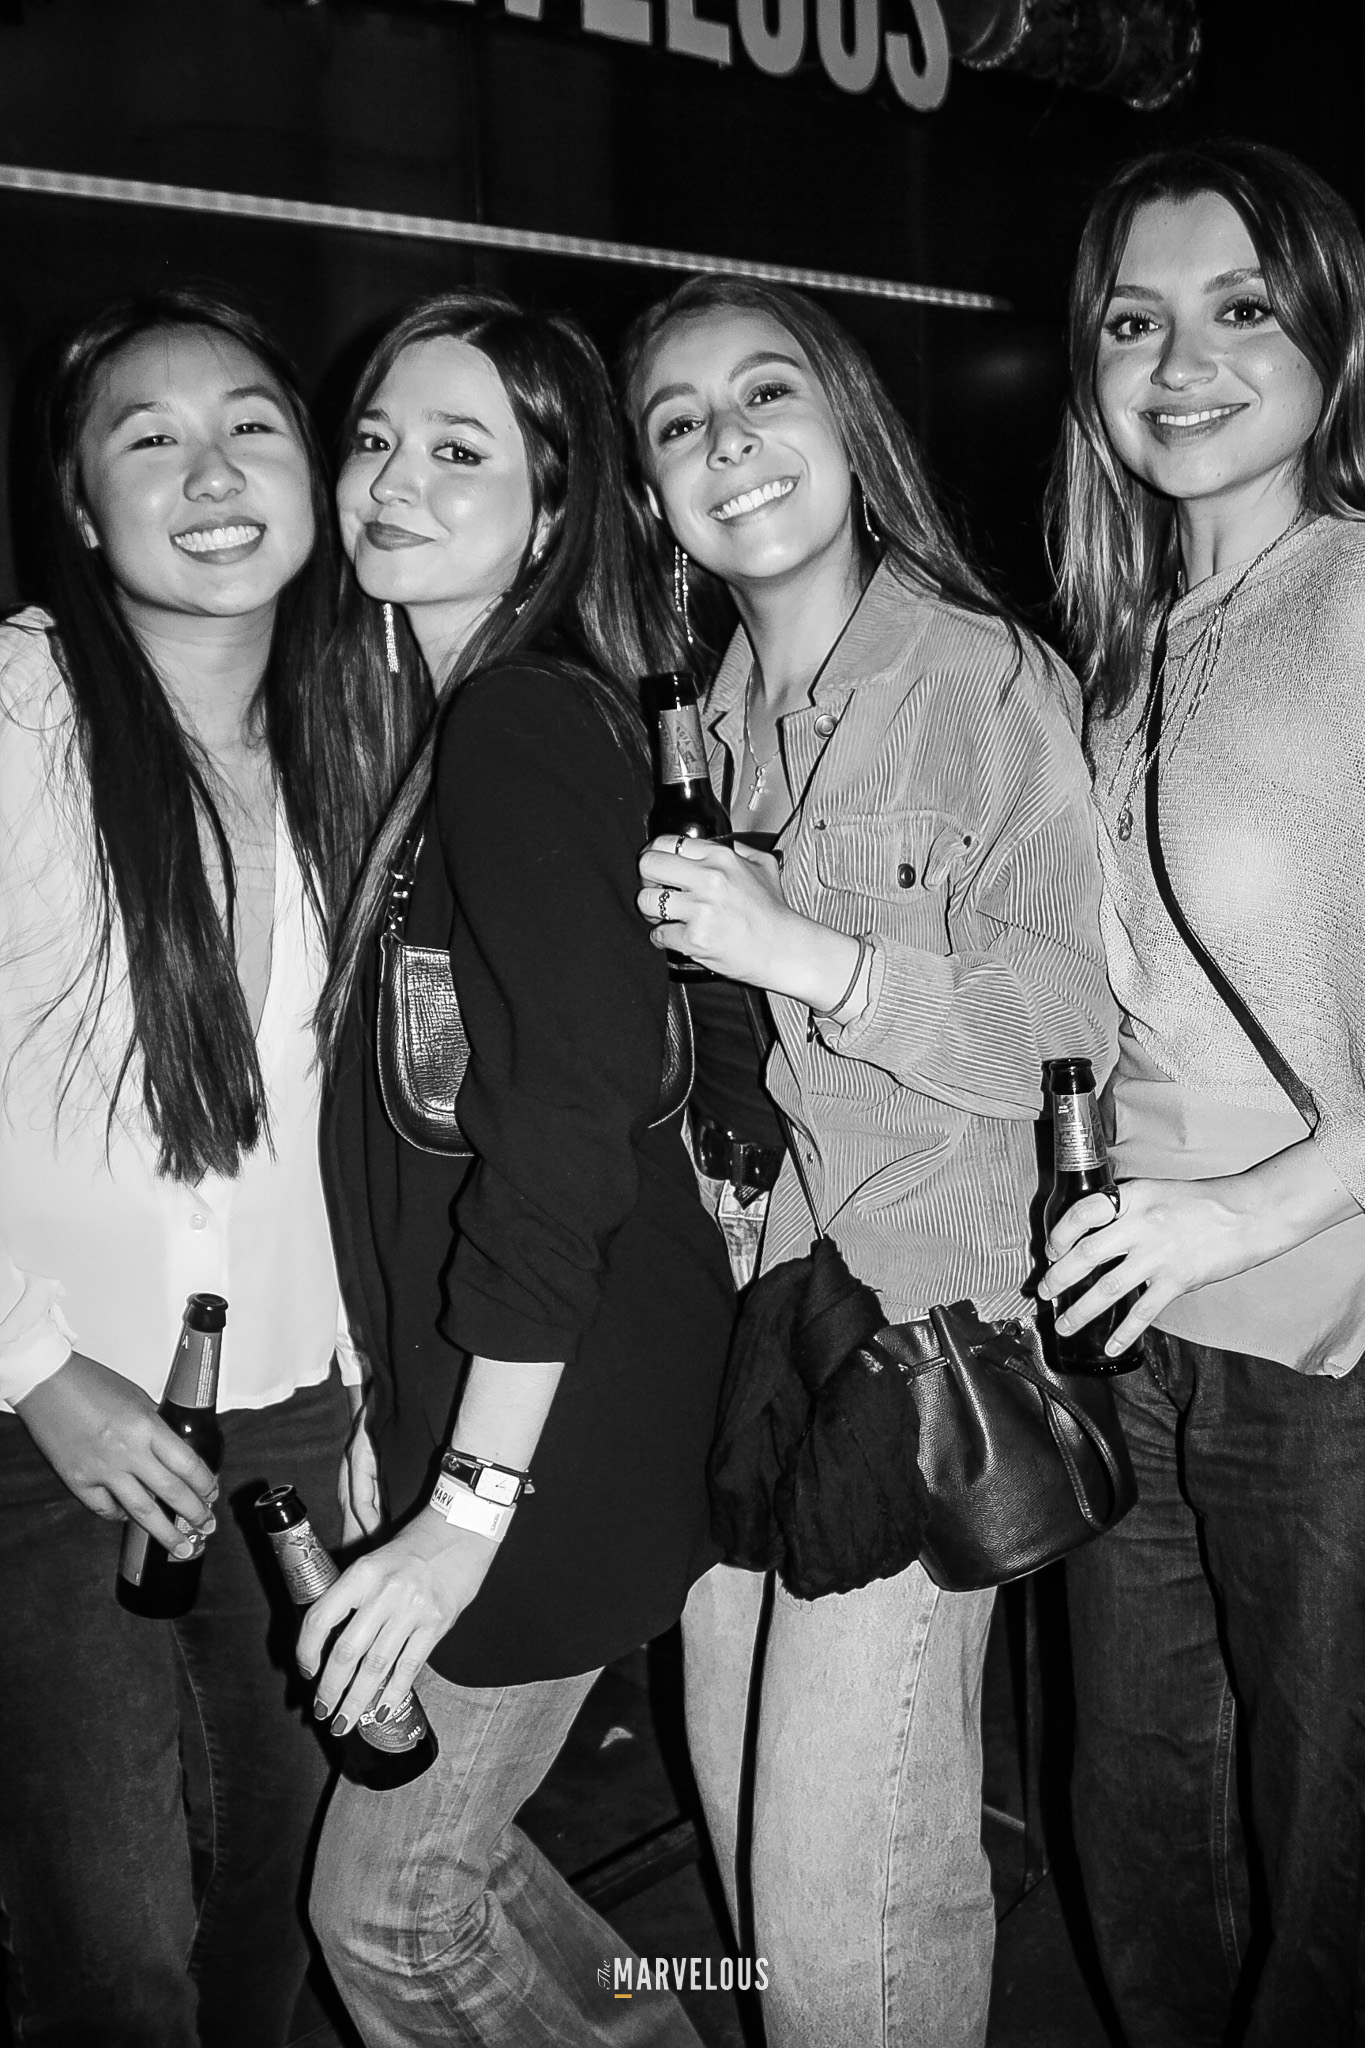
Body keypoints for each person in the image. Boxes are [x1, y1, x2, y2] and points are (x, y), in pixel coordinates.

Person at [623, 274, 1115, 2048]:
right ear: (650, 493)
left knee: (844, 1905)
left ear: (849, 424)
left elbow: (1071, 1021)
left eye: (766, 395)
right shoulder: (687, 727)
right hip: (747, 1332)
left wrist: (814, 958)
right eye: (679, 423)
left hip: (915, 1338)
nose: (728, 443)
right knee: (744, 1837)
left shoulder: (978, 676)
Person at [303, 290, 733, 2048]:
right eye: (376, 438)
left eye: (459, 450)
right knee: (445, 1880)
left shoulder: (520, 723)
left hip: (555, 1428)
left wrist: (462, 1508)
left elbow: (570, 1109)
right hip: (530, 1401)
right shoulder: (452, 732)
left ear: (554, 509)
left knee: (392, 1914)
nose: (394, 479)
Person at [0, 286, 385, 2046]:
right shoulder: (22, 713)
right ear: (81, 508)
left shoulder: (363, 738)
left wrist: (370, 1389)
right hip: (46, 1423)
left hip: (295, 1416)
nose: (213, 472)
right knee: (114, 1944)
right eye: (149, 438)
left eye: (253, 427)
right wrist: (34, 1369)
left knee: (279, 1890)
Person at [1042, 139, 1365, 2048]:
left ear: (1331, 334)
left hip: (1328, 1333)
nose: (1178, 362)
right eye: (1130, 320)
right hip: (1131, 1321)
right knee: (1139, 1826)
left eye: (1238, 309)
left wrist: (1250, 1213)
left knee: (1328, 1871)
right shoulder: (1119, 649)